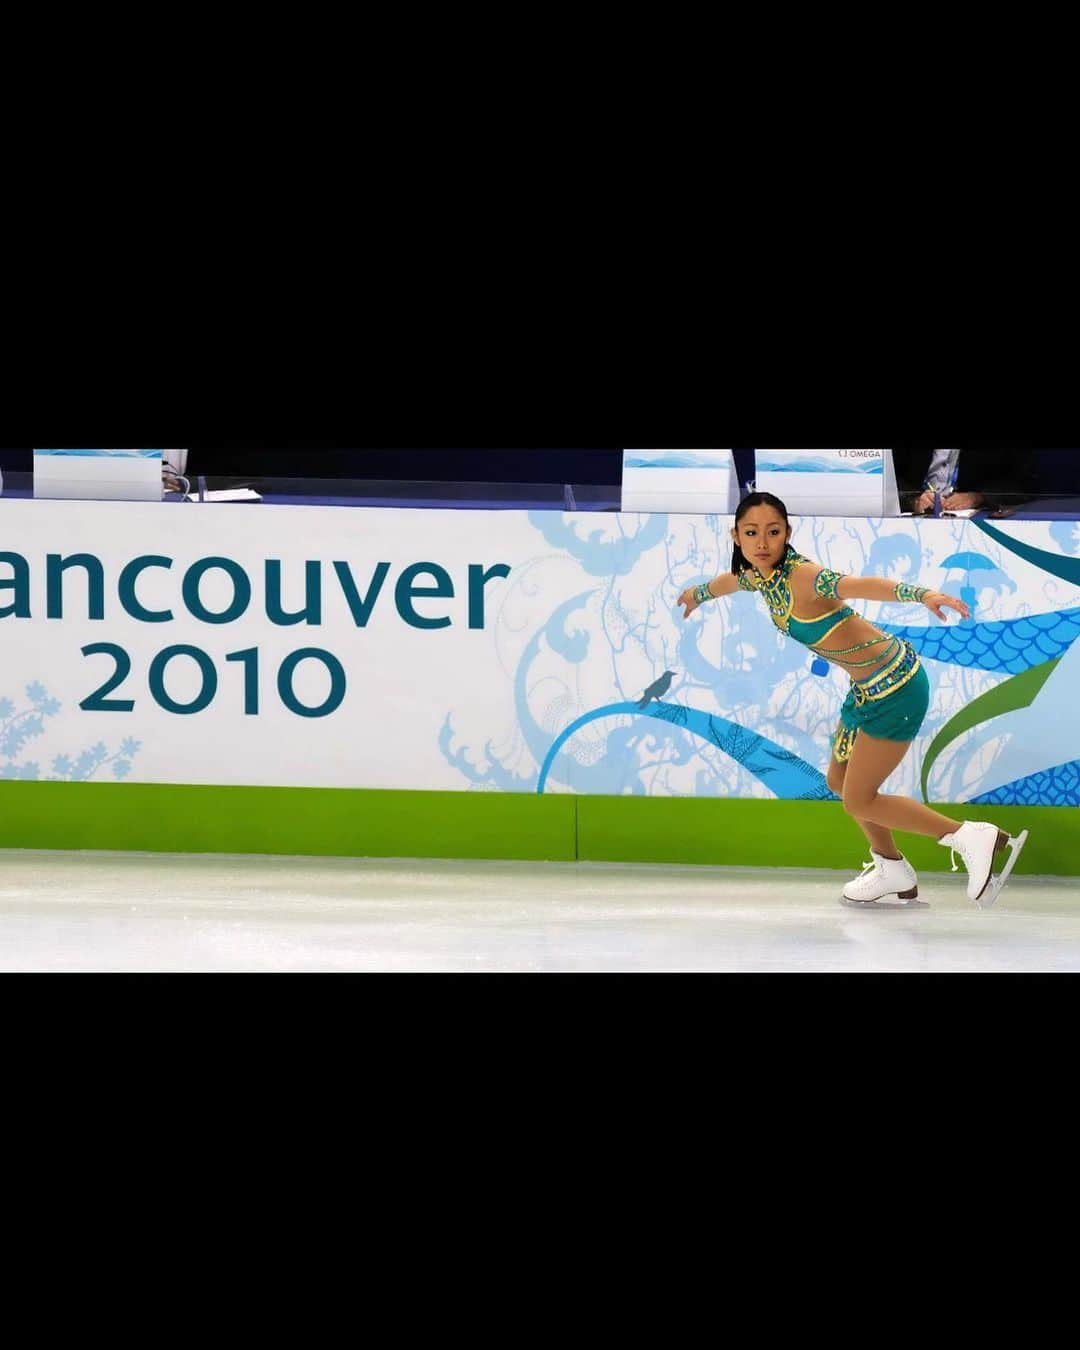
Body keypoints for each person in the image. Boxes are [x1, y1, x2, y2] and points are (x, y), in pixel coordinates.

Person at [677, 493, 1028, 909]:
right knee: (840, 783)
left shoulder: (803, 575)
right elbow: (730, 581)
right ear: (736, 536)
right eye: (751, 533)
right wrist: (698, 594)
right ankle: (892, 869)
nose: (763, 542)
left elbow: (861, 585)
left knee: (858, 798)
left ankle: (969, 836)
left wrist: (922, 595)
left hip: (897, 686)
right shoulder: (759, 575)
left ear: (788, 533)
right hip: (864, 690)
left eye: (773, 532)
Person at [892, 446, 1037, 515]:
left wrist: (979, 497)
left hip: (974, 521)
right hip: (912, 517)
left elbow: (1024, 483)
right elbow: (885, 474)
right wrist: (913, 499)